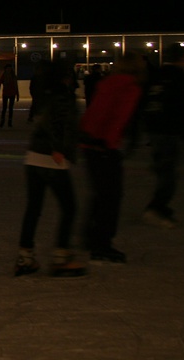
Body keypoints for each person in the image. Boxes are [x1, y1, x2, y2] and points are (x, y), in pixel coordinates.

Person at [14, 60, 86, 278]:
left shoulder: (44, 95)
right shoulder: (63, 95)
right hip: (51, 158)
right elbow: (58, 123)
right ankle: (61, 258)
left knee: (34, 208)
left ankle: (25, 256)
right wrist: (58, 149)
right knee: (69, 207)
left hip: (34, 156)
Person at [79, 51, 146, 263]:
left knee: (101, 194)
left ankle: (90, 236)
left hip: (90, 142)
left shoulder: (108, 83)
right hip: (103, 146)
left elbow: (95, 111)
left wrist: (89, 137)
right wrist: (108, 143)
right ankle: (101, 244)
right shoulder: (130, 87)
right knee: (111, 196)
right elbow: (118, 117)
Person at [142, 45, 184, 228]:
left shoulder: (156, 76)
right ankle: (156, 208)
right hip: (169, 129)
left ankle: (160, 205)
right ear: (183, 58)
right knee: (168, 173)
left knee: (165, 168)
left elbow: (144, 100)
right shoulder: (178, 77)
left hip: (156, 128)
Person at [0, 63, 20, 128]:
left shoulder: (13, 76)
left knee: (11, 108)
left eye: (10, 68)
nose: (9, 70)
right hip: (5, 93)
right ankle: (2, 121)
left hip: (12, 94)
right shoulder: (3, 76)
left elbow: (16, 86)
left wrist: (17, 94)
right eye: (8, 69)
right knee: (4, 108)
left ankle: (9, 121)